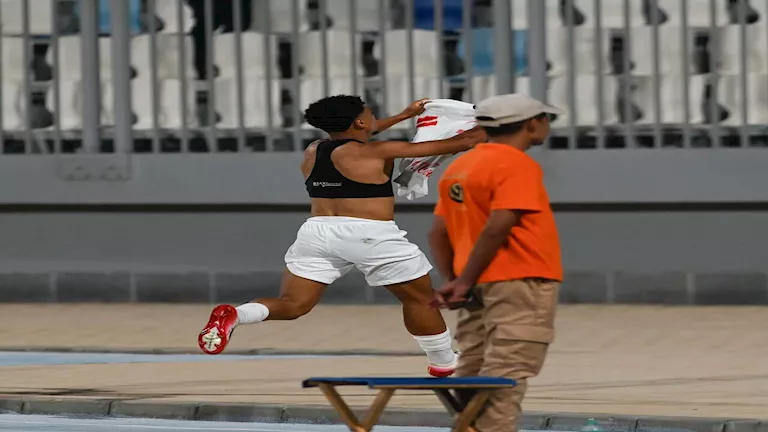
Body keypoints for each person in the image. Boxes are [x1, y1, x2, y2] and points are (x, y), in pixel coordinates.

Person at [198, 95, 487, 377]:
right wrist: (496, 120)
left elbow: (366, 131)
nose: (374, 119)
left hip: (316, 233)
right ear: (360, 122)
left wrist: (405, 115)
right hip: (370, 234)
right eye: (369, 114)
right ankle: (444, 362)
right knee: (420, 300)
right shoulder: (378, 151)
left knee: (292, 304)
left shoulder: (314, 150)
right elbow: (465, 141)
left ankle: (236, 315)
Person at [428, 93, 564, 432]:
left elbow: (438, 232)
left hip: (476, 284)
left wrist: (457, 280)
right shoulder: (515, 164)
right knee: (506, 375)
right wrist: (462, 282)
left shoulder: (460, 166)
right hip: (521, 279)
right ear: (532, 124)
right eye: (546, 118)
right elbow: (499, 225)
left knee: (472, 371)